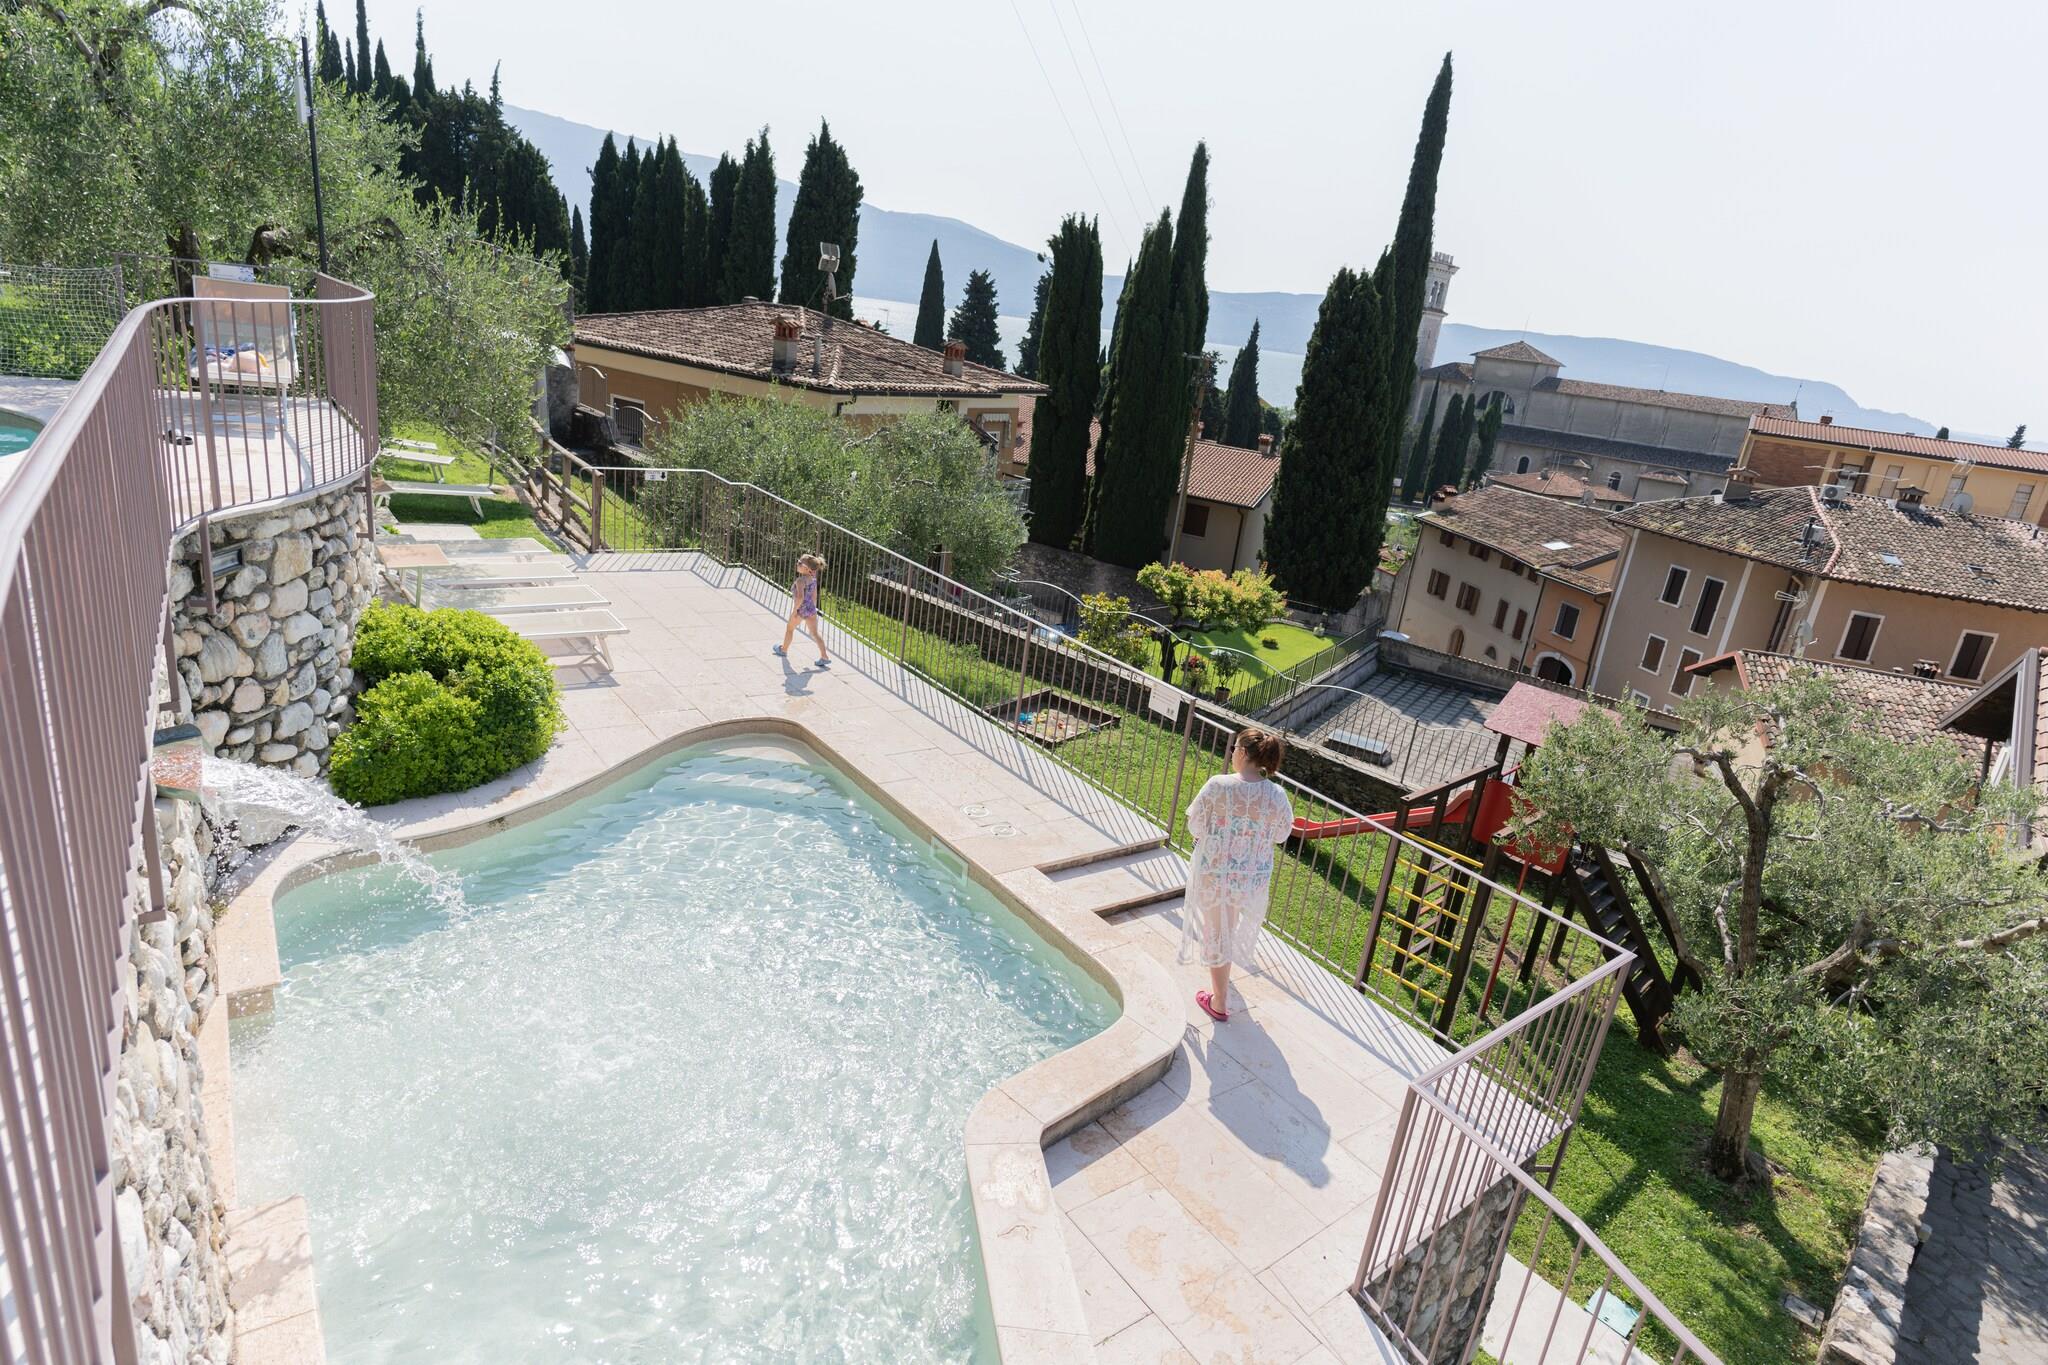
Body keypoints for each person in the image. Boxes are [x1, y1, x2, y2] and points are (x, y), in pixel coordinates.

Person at [1179, 726, 1294, 1022]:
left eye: (1234, 749)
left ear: (1242, 752)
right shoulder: (1277, 794)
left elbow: (1195, 825)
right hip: (1251, 875)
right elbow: (1281, 834)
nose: (1231, 754)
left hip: (1217, 871)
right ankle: (1223, 980)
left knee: (1218, 931)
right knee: (1227, 925)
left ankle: (1219, 1002)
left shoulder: (1219, 785)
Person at [774, 552, 832, 669]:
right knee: (815, 633)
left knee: (790, 628)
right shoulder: (813, 579)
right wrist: (812, 608)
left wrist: (795, 610)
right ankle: (824, 656)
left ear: (807, 569)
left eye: (800, 563)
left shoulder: (800, 581)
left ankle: (783, 649)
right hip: (811, 609)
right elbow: (814, 596)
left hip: (800, 610)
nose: (797, 563)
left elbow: (800, 597)